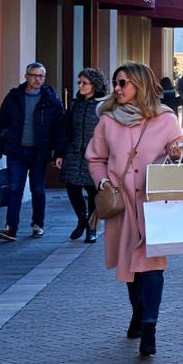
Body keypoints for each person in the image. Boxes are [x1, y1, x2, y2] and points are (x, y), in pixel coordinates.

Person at [86, 62, 183, 357]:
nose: (116, 89)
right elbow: (95, 158)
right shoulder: (107, 121)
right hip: (122, 204)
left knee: (153, 268)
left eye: (122, 83)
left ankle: (150, 330)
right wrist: (103, 182)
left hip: (154, 205)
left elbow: (180, 152)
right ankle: (138, 312)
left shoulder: (165, 119)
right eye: (116, 83)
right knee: (130, 267)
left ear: (140, 86)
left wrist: (176, 153)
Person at [0, 63, 67, 241]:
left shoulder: (51, 100)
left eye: (41, 76)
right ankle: (11, 228)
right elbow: (1, 123)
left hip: (39, 153)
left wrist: (58, 153)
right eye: (34, 75)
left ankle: (37, 224)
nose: (37, 79)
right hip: (16, 151)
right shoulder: (13, 98)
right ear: (26, 76)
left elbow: (59, 129)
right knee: (15, 188)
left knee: (38, 190)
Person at [56, 68, 106, 243]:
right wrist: (60, 153)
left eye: (84, 83)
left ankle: (92, 227)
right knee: (72, 186)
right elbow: (66, 129)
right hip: (73, 151)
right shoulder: (75, 104)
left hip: (95, 155)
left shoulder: (104, 105)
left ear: (95, 85)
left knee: (93, 191)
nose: (80, 86)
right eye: (79, 82)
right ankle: (82, 218)